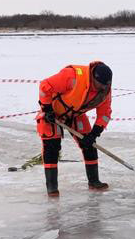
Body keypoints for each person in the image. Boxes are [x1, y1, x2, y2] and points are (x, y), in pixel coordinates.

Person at [37, 61, 113, 196]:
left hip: (76, 115)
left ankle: (94, 182)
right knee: (52, 148)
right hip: (52, 113)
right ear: (93, 77)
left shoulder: (105, 90)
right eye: (99, 84)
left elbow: (105, 114)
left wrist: (94, 133)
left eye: (105, 85)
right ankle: (52, 189)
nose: (102, 88)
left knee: (90, 146)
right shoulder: (72, 76)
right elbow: (45, 86)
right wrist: (47, 109)